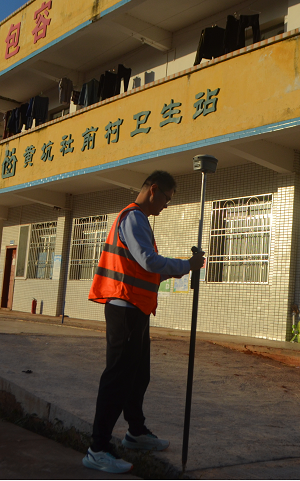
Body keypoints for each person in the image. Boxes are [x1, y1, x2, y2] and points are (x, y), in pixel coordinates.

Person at [83, 170, 204, 474]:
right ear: (154, 190)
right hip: (125, 308)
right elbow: (149, 262)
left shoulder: (140, 221)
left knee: (138, 375)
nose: (166, 205)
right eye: (167, 198)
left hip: (136, 309)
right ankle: (97, 449)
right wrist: (186, 264)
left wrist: (182, 268)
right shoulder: (134, 218)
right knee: (118, 378)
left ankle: (135, 432)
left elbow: (149, 271)